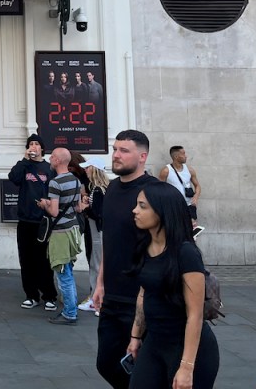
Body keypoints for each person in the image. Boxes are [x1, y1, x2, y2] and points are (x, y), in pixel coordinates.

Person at [126, 180, 219, 388]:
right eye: (137, 204)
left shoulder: (186, 252)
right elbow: (143, 293)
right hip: (154, 343)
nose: (135, 211)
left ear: (162, 211)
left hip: (188, 349)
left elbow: (195, 314)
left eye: (142, 206)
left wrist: (186, 367)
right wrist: (135, 335)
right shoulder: (144, 245)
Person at [92, 129, 157, 389]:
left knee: (140, 365)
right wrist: (100, 283)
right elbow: (111, 239)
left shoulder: (154, 193)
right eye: (115, 149)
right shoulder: (112, 188)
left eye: (124, 151)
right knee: (106, 363)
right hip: (112, 296)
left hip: (141, 296)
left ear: (142, 156)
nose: (116, 155)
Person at [8, 134, 57, 311]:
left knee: (43, 260)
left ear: (42, 148)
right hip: (25, 220)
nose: (33, 147)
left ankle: (49, 296)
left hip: (43, 221)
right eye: (31, 144)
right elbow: (13, 177)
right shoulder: (24, 166)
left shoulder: (49, 168)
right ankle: (31, 295)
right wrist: (24, 159)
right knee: (26, 259)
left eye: (36, 144)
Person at [40, 146, 87, 325]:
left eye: (52, 156)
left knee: (63, 273)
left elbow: (53, 211)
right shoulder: (75, 180)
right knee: (68, 270)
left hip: (60, 233)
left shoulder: (55, 182)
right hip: (73, 230)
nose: (50, 158)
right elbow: (77, 207)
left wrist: (44, 204)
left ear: (58, 160)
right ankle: (71, 308)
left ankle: (69, 312)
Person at [79, 164, 110, 312]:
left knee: (96, 264)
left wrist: (85, 209)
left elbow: (97, 213)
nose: (85, 170)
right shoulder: (103, 188)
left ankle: (95, 300)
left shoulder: (97, 190)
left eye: (88, 168)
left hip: (97, 231)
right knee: (97, 263)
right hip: (100, 230)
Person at [159, 145, 201, 228]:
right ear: (176, 156)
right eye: (183, 154)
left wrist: (195, 197)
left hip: (189, 206)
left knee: (192, 230)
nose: (186, 156)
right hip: (173, 206)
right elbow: (159, 189)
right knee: (176, 230)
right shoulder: (166, 171)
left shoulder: (190, 170)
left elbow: (198, 186)